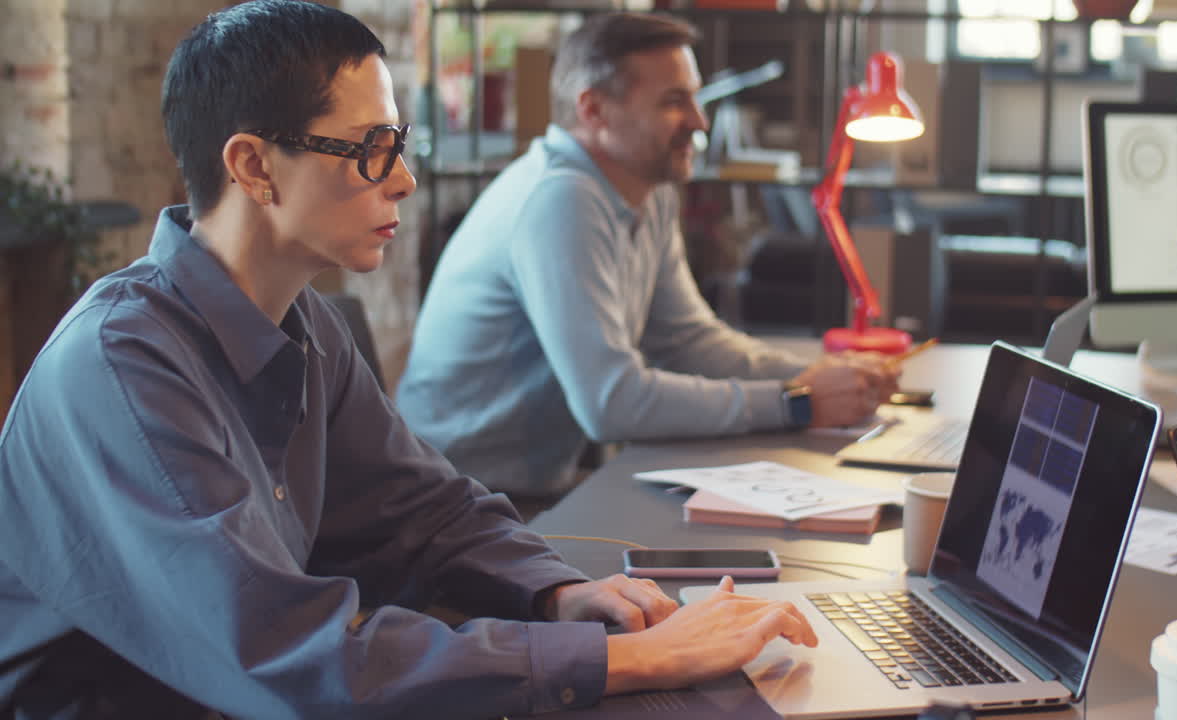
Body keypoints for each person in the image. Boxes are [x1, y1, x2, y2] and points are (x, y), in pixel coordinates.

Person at [0, 2, 818, 717]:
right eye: (371, 148)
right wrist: (634, 658)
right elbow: (290, 655)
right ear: (252, 167)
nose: (406, 179)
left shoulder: (305, 324)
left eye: (401, 141)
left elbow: (428, 510)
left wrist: (562, 590)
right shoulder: (122, 367)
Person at [396, 12, 899, 504]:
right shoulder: (560, 199)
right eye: (674, 102)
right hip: (456, 505)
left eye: (695, 97)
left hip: (536, 487)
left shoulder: (647, 187)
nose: (699, 121)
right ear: (593, 110)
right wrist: (798, 404)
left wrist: (819, 378)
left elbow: (689, 340)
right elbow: (611, 403)